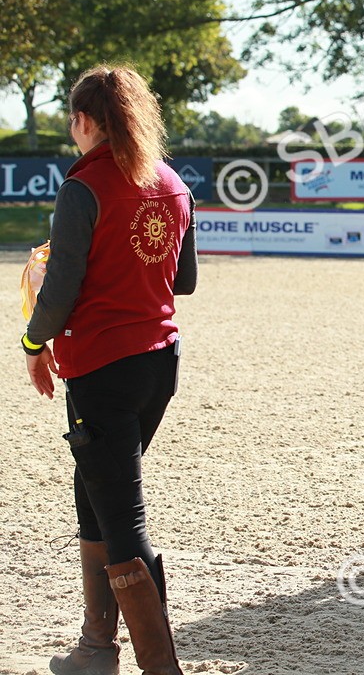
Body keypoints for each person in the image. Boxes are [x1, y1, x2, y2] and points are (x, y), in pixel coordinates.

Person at [23, 65, 197, 675]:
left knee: (124, 521)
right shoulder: (172, 182)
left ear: (86, 120)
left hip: (102, 366)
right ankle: (96, 647)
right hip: (159, 362)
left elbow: (63, 286)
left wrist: (31, 339)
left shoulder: (83, 186)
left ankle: (159, 667)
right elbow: (185, 280)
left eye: (73, 119)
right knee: (95, 493)